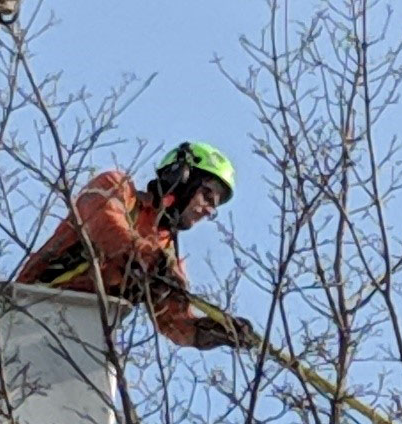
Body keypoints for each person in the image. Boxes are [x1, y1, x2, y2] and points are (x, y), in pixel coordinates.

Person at [16, 141, 254, 350]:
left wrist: (213, 332)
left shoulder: (167, 259)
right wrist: (150, 260)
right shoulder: (117, 189)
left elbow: (174, 323)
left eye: (215, 206)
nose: (209, 209)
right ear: (181, 177)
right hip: (25, 308)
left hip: (79, 336)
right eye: (206, 194)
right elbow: (106, 225)